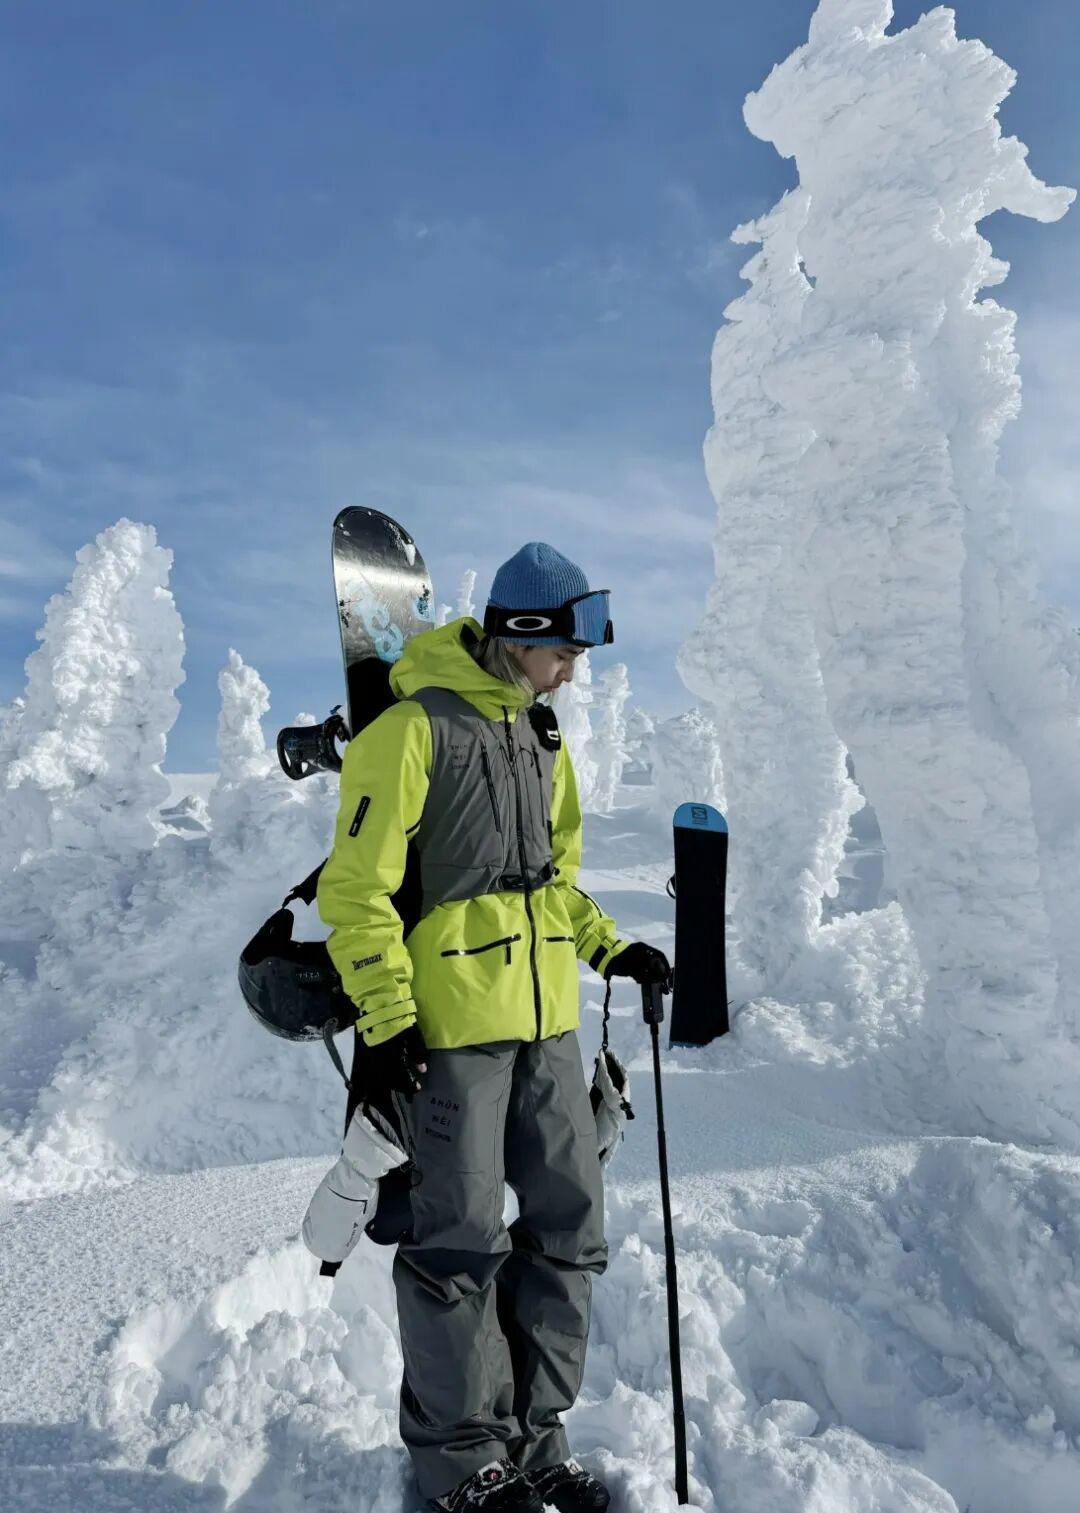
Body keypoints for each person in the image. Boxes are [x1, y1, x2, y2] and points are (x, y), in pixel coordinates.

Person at [317, 542, 671, 1513]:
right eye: (566, 650)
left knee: (569, 1231)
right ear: (520, 634)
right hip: (453, 1034)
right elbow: (355, 893)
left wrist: (612, 949)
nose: (574, 671)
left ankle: (535, 1439)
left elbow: (554, 883)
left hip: (549, 1027)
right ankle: (462, 1461)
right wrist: (390, 1020)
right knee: (459, 1244)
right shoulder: (411, 731)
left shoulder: (541, 736)